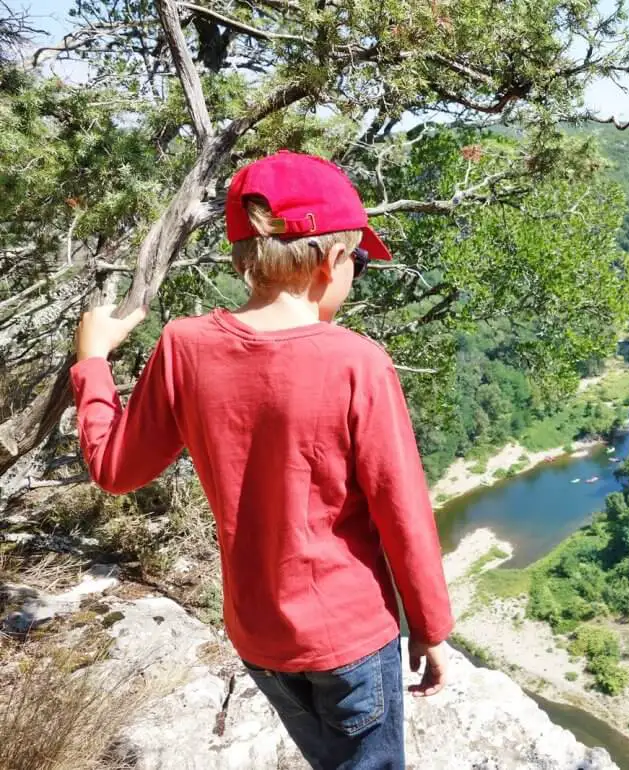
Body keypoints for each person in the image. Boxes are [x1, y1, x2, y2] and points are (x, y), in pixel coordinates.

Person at [70, 150, 453, 770]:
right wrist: (432, 628)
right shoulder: (357, 361)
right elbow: (401, 510)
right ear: (331, 261)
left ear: (248, 258)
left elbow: (115, 470)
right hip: (352, 637)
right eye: (359, 261)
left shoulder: (184, 346)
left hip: (259, 639)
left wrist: (92, 366)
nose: (356, 273)